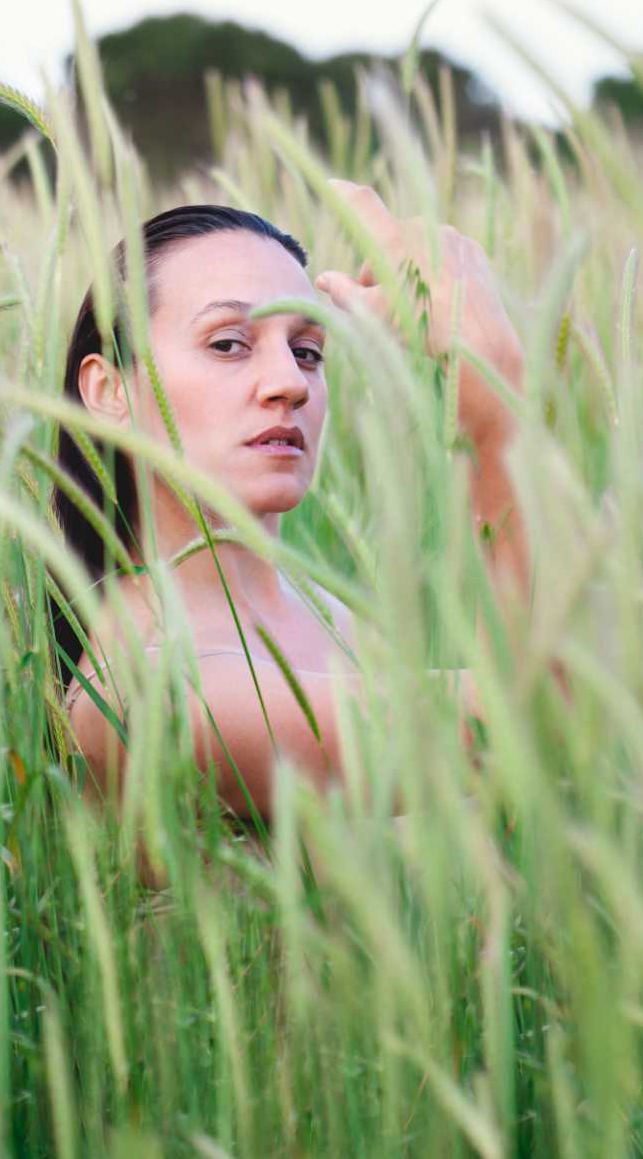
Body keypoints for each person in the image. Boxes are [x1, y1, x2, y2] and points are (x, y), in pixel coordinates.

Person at [50, 181, 527, 826]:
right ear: (109, 390)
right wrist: (497, 409)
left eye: (307, 351)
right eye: (228, 344)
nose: (289, 383)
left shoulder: (335, 619)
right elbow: (523, 723)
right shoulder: (153, 694)